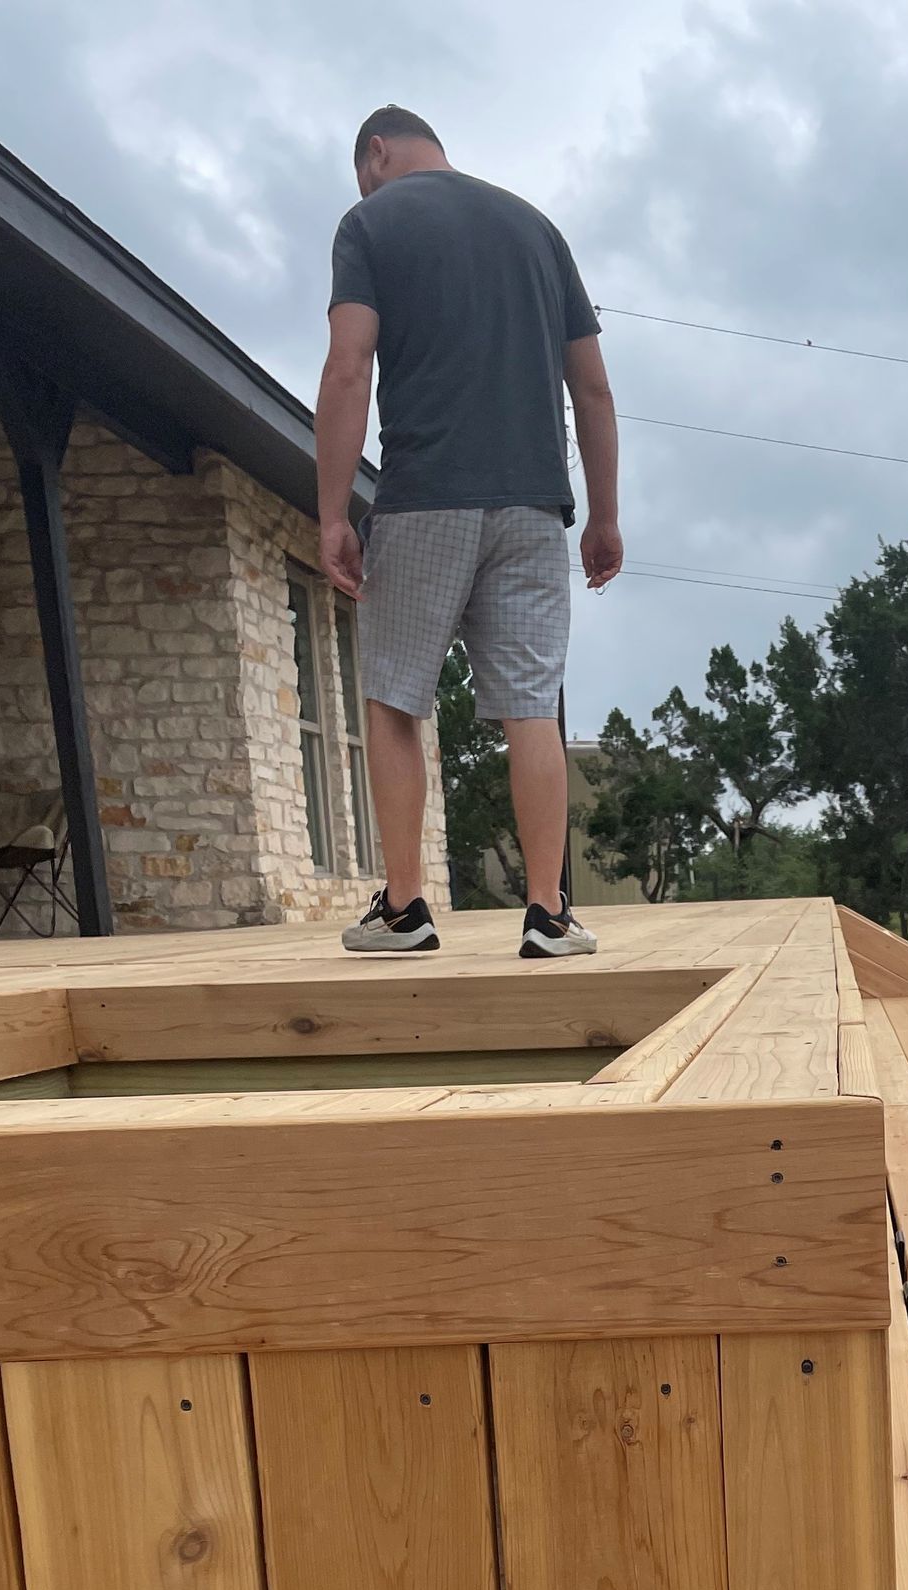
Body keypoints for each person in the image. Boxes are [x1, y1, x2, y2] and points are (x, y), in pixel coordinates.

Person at [314, 105, 622, 959]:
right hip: (532, 505)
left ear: (375, 153)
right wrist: (603, 513)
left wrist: (334, 512)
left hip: (423, 498)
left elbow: (348, 368)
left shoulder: (369, 223)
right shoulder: (537, 230)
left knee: (395, 696)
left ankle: (406, 910)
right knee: (532, 706)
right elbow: (592, 390)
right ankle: (550, 914)